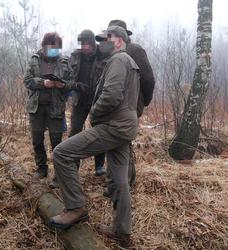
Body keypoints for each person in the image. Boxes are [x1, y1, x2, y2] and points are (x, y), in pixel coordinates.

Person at [49, 26, 140, 248]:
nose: (102, 44)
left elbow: (110, 95)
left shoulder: (119, 60)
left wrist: (94, 112)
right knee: (119, 179)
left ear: (118, 41)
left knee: (62, 153)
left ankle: (76, 208)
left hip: (113, 125)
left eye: (106, 39)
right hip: (124, 125)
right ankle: (122, 233)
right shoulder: (129, 62)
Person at [98, 20, 155, 197]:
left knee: (123, 142)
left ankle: (125, 183)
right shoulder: (110, 53)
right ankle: (115, 182)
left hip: (128, 105)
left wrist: (141, 102)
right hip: (113, 105)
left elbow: (148, 80)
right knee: (114, 141)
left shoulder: (135, 50)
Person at [24, 32, 73, 188]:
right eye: (51, 48)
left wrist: (63, 85)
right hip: (36, 108)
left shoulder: (65, 62)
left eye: (57, 48)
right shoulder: (34, 60)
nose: (54, 51)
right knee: (37, 140)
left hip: (56, 108)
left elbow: (72, 83)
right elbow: (27, 81)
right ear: (44, 46)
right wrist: (42, 83)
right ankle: (41, 169)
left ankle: (59, 175)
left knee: (57, 143)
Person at [69, 29, 107, 176]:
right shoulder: (75, 56)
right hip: (79, 101)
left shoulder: (103, 56)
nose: (84, 47)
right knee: (74, 132)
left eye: (86, 44)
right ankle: (73, 166)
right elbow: (68, 78)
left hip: (98, 101)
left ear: (92, 43)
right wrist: (76, 85)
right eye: (81, 44)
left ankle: (99, 166)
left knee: (99, 132)